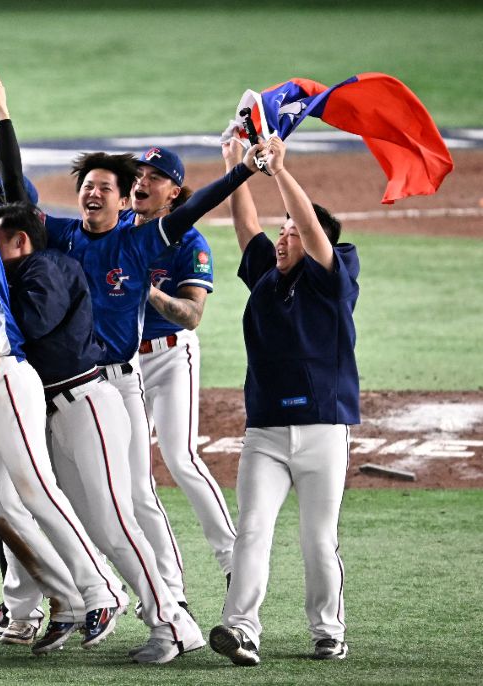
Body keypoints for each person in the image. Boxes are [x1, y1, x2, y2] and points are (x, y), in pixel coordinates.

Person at [0, 201, 206, 663]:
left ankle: (172, 623)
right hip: (62, 410)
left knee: (117, 524)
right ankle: (168, 622)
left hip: (88, 403)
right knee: (103, 529)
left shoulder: (47, 267)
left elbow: (32, 323)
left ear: (22, 242)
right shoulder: (32, 265)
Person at [209, 135, 358, 666]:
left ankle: (328, 632)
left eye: (292, 233)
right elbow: (248, 229)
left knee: (318, 538)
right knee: (251, 529)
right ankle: (241, 629)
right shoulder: (268, 279)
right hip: (266, 429)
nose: (283, 237)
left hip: (323, 427)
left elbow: (313, 230)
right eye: (283, 232)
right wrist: (236, 168)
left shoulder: (334, 279)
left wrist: (281, 173)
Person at [142, 226, 237, 581]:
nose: (143, 184)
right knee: (131, 474)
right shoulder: (119, 231)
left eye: (154, 178)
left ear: (173, 190)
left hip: (170, 356)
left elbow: (193, 314)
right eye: (139, 176)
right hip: (124, 362)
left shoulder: (189, 242)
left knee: (180, 457)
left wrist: (148, 291)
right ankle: (163, 582)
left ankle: (233, 561)